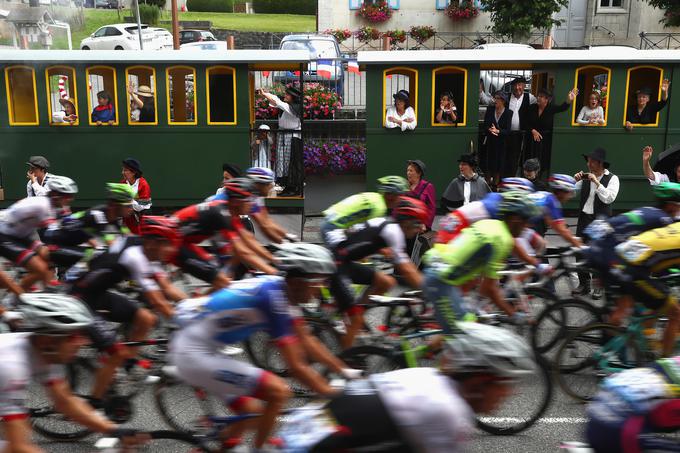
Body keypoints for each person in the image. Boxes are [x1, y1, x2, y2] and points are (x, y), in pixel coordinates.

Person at [170, 243, 352, 450]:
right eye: (319, 282)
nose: (322, 288)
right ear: (297, 281)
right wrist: (331, 394)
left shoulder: (281, 290)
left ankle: (219, 444)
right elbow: (296, 367)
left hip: (204, 348)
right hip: (195, 355)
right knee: (279, 392)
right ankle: (260, 449)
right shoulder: (273, 300)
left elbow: (308, 340)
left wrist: (346, 371)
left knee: (253, 412)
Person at [280, 322, 535, 453]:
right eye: (504, 384)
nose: (509, 393)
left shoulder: (427, 376)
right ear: (479, 381)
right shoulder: (449, 411)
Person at [0, 294, 144, 453]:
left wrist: (113, 430)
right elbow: (18, 447)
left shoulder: (45, 352)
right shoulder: (12, 367)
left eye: (82, 335)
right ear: (47, 341)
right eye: (73, 336)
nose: (83, 342)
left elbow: (65, 402)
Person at [69, 216, 184, 403]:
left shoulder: (145, 249)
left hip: (97, 293)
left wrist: (199, 306)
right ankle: (94, 404)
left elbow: (168, 289)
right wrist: (184, 321)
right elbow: (159, 302)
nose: (171, 249)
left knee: (146, 318)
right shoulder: (135, 257)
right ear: (152, 243)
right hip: (80, 300)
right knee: (117, 352)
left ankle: (128, 366)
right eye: (168, 244)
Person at [425, 191, 541, 328]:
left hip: (438, 262)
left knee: (473, 277)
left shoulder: (492, 223)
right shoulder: (500, 239)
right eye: (526, 221)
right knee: (467, 332)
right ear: (515, 219)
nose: (527, 227)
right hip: (441, 279)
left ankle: (452, 313)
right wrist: (513, 315)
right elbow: (489, 289)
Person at [329, 196, 427, 347]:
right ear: (405, 221)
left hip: (344, 261)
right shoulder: (394, 231)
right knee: (356, 321)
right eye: (418, 223)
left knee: (386, 281)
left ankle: (356, 311)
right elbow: (406, 269)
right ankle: (345, 362)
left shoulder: (391, 226)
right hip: (337, 265)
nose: (422, 228)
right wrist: (430, 290)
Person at [583, 182, 680, 309]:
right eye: (678, 205)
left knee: (624, 304)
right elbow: (660, 250)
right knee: (629, 303)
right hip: (613, 257)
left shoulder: (648, 210)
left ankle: (606, 323)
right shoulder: (663, 220)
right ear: (671, 205)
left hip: (599, 247)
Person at [586, 355, 680, 453]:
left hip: (595, 418)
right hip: (619, 435)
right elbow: (664, 422)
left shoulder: (665, 363)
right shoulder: (672, 391)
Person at [0, 176, 77, 292]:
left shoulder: (56, 206)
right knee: (40, 269)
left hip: (21, 234)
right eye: (68, 196)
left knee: (47, 255)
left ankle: (48, 290)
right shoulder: (42, 205)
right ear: (56, 195)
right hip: (5, 234)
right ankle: (15, 298)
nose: (71, 199)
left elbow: (71, 224)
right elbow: (54, 234)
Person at [573, 147, 620, 295]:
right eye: (588, 160)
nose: (588, 164)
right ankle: (584, 284)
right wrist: (574, 181)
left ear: (600, 163)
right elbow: (571, 193)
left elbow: (609, 198)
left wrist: (597, 183)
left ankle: (598, 285)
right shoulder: (587, 176)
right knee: (580, 252)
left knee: (598, 254)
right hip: (584, 218)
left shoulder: (612, 178)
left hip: (599, 221)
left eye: (591, 161)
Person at [320, 175, 409, 249]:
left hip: (331, 222)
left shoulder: (375, 197)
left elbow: (355, 230)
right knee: (344, 261)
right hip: (332, 228)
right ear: (391, 195)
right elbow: (365, 234)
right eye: (401, 196)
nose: (402, 200)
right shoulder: (379, 208)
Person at [259, 87, 303, 196]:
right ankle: (287, 186)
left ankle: (293, 187)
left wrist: (265, 94)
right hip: (284, 135)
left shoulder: (293, 107)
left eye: (287, 95)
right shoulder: (287, 106)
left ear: (293, 97)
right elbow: (274, 102)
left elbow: (277, 102)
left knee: (290, 162)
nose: (285, 96)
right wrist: (266, 94)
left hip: (292, 137)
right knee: (282, 162)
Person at [525, 88, 578, 174]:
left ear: (547, 99)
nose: (538, 98)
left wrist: (569, 99)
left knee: (542, 161)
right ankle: (530, 178)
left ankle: (540, 180)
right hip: (531, 140)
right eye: (538, 96)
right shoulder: (532, 108)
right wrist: (533, 131)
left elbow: (563, 107)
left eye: (541, 96)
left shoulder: (551, 108)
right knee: (530, 161)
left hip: (545, 140)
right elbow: (525, 123)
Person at [528, 174, 582, 246]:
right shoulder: (552, 201)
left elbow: (553, 224)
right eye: (570, 192)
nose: (570, 196)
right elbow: (562, 230)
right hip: (520, 228)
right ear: (561, 192)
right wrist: (581, 246)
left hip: (522, 228)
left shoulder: (545, 196)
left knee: (540, 244)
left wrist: (572, 238)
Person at [246, 167, 289, 243]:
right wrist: (284, 243)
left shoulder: (256, 196)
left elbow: (267, 221)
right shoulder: (248, 197)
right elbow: (264, 226)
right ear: (260, 184)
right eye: (269, 184)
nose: (271, 187)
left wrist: (288, 236)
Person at [482, 91, 513, 181]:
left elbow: (508, 130)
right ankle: (487, 184)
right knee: (488, 165)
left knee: (499, 165)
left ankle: (496, 184)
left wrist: (498, 131)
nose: (495, 100)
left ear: (503, 101)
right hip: (490, 142)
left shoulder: (508, 113)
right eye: (494, 98)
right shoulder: (490, 110)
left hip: (501, 143)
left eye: (497, 98)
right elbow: (485, 125)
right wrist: (490, 130)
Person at [121, 157, 151, 234]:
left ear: (133, 172)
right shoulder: (122, 183)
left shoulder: (143, 184)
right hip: (127, 219)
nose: (123, 172)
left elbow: (145, 204)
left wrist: (129, 201)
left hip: (141, 219)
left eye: (125, 170)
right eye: (123, 170)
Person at [405, 159, 436, 230]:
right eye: (407, 170)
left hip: (421, 227)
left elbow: (431, 208)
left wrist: (426, 225)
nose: (408, 173)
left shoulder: (428, 186)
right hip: (406, 226)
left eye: (411, 171)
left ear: (419, 173)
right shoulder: (404, 186)